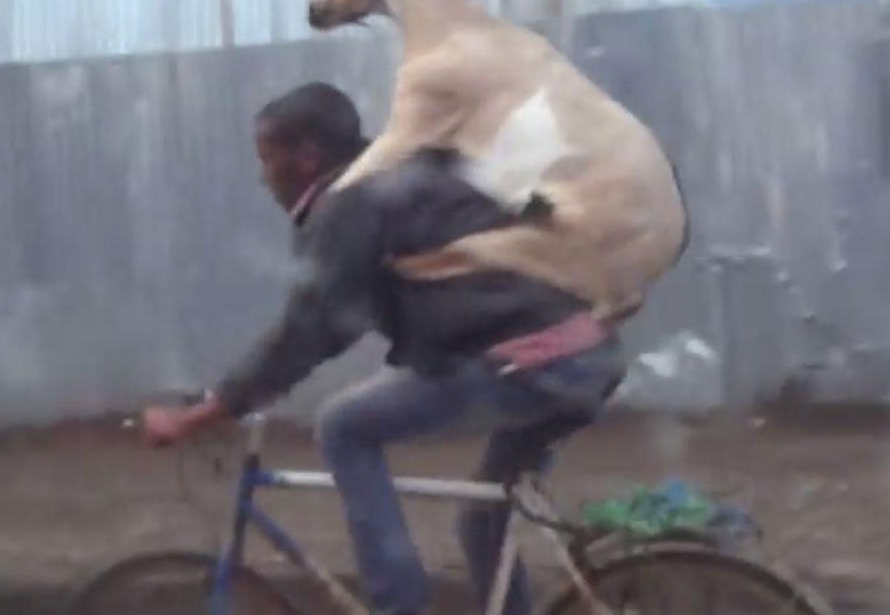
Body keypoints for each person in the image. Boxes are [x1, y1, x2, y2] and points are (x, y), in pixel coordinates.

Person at [142, 82, 626, 615]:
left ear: (307, 156)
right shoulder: (401, 174)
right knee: (485, 516)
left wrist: (205, 413)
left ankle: (400, 606)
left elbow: (314, 328)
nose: (264, 178)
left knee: (343, 426)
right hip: (585, 352)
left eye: (269, 159)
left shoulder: (353, 201)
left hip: (536, 363)